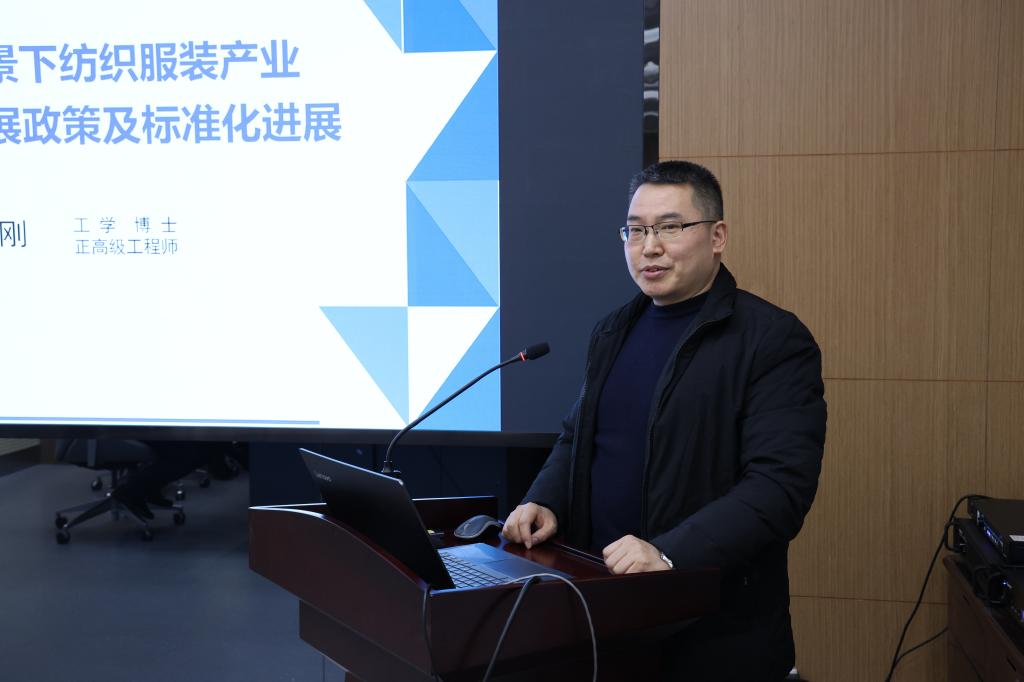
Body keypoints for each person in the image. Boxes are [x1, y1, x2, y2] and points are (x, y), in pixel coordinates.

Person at [502, 161, 827, 681]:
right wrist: (545, 498)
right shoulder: (613, 330)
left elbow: (779, 488)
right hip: (604, 612)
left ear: (717, 237)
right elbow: (579, 437)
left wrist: (669, 553)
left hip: (712, 630)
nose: (649, 247)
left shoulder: (771, 339)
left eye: (670, 228)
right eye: (636, 230)